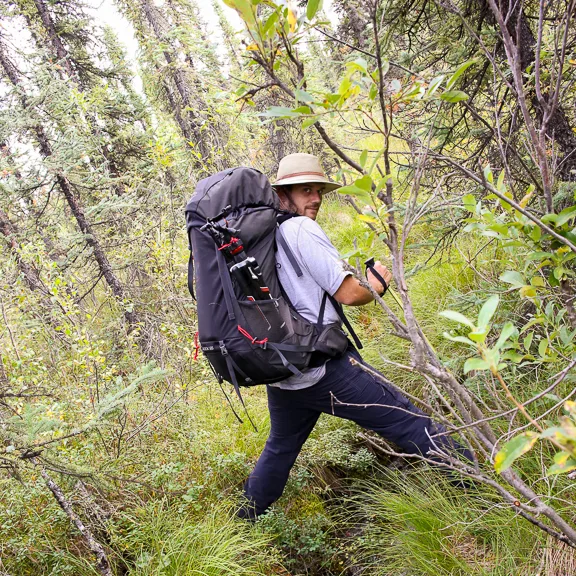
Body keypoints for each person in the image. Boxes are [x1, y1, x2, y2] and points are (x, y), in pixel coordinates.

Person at [238, 153, 471, 520]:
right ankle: (482, 488)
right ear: (284, 193)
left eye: (319, 190)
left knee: (280, 448)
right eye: (305, 190)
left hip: (284, 369)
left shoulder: (263, 237)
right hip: (323, 367)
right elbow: (350, 294)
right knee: (405, 419)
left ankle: (243, 521)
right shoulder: (299, 230)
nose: (315, 197)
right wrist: (379, 278)